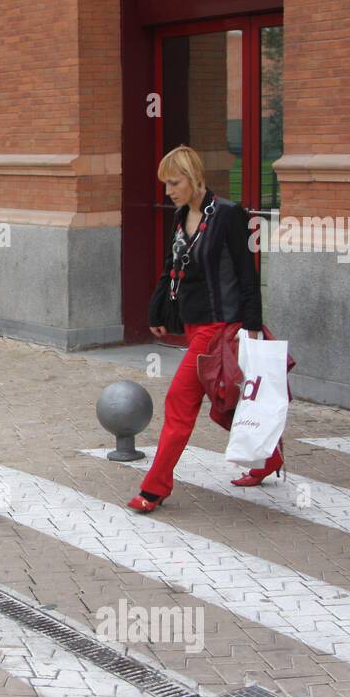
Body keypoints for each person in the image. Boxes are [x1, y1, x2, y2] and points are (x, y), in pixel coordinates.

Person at [128, 145, 283, 513]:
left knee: (179, 402)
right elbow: (171, 268)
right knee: (224, 405)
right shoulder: (181, 216)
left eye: (174, 182)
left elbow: (248, 275)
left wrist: (250, 328)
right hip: (195, 324)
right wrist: (158, 311)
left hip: (219, 327)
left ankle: (154, 488)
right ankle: (270, 458)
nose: (168, 191)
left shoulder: (229, 215)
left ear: (194, 177)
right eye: (165, 184)